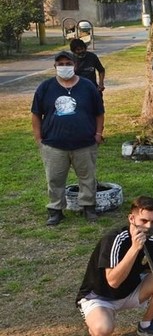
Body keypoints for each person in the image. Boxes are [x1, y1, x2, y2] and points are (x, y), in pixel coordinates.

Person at [75, 196, 153, 336]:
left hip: (130, 292)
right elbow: (113, 282)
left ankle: (147, 324)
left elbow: (151, 273)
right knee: (103, 331)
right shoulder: (113, 240)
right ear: (131, 218)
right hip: (100, 297)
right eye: (144, 221)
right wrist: (134, 249)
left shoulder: (151, 243)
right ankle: (97, 327)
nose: (149, 227)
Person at [31, 51, 105, 225]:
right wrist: (38, 138)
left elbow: (99, 113)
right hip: (54, 144)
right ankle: (55, 210)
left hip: (85, 143)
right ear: (55, 66)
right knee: (55, 179)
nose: (64, 67)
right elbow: (36, 114)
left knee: (87, 177)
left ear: (75, 65)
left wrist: (98, 134)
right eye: (60, 64)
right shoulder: (45, 87)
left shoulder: (87, 86)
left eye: (68, 63)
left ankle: (88, 207)